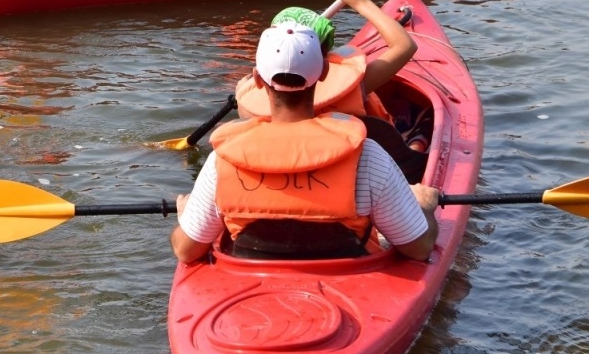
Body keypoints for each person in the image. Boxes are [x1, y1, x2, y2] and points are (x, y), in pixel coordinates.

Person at [170, 21, 441, 264]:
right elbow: (419, 249)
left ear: (257, 78)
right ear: (323, 73)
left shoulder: (222, 160)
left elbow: (186, 251)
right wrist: (425, 208)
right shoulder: (368, 157)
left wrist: (187, 218)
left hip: (252, 279)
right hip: (350, 278)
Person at [234, 0, 427, 179]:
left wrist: (243, 89)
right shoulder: (354, 85)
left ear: (258, 76)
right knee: (423, 124)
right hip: (354, 172)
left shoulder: (246, 100)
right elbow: (405, 46)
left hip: (289, 173)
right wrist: (361, 2)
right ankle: (417, 140)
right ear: (325, 67)